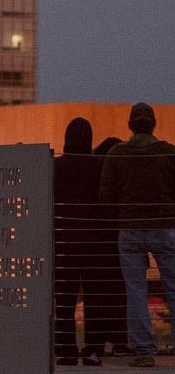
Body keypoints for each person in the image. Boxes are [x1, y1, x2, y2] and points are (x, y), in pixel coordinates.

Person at [99, 102, 175, 368]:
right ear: (154, 124)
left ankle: (144, 351)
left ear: (130, 126)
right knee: (173, 288)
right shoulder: (168, 153)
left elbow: (106, 195)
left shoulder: (116, 154)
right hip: (165, 227)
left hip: (129, 229)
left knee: (135, 291)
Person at [53, 118, 104, 365]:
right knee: (94, 297)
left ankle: (65, 349)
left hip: (64, 240)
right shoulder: (99, 165)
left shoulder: (56, 166)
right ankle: (93, 350)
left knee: (64, 299)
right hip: (95, 241)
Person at [88, 136, 131, 359]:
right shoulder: (122, 176)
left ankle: (97, 340)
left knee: (98, 294)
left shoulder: (94, 174)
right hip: (120, 242)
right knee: (121, 293)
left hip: (97, 246)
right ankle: (121, 341)